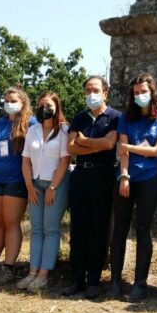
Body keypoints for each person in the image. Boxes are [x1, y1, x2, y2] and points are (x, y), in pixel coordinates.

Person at [109, 73, 157, 302]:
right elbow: (122, 151)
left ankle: (140, 284)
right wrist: (124, 176)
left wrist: (128, 146)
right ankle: (115, 281)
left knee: (143, 230)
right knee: (120, 229)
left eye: (143, 91)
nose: (140, 96)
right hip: (127, 178)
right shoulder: (126, 119)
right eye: (136, 93)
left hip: (150, 179)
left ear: (152, 92)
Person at [62, 76, 121, 299]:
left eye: (95, 89)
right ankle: (77, 278)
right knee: (78, 228)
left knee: (99, 228)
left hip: (103, 176)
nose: (91, 94)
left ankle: (94, 280)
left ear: (105, 93)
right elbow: (70, 148)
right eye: (88, 90)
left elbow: (109, 144)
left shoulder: (115, 117)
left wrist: (84, 141)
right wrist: (94, 145)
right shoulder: (79, 117)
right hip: (80, 175)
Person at [0, 86, 36, 285]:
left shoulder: (31, 123)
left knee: (11, 223)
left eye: (13, 101)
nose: (8, 104)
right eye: (6, 100)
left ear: (23, 102)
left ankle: (8, 268)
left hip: (17, 179)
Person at [17, 92, 71, 292]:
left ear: (56, 108)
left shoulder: (64, 130)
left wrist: (53, 187)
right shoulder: (33, 130)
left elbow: (65, 161)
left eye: (48, 105)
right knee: (36, 229)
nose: (43, 109)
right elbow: (25, 161)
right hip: (35, 185)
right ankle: (32, 272)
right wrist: (30, 187)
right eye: (41, 105)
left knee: (50, 229)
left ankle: (43, 275)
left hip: (56, 185)